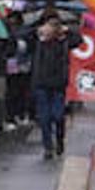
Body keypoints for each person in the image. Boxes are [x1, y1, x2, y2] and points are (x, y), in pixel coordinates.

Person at [30, 13, 72, 159]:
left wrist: (66, 31)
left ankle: (59, 140)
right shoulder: (39, 43)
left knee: (58, 116)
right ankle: (48, 146)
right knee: (44, 118)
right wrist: (38, 27)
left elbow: (78, 39)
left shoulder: (64, 43)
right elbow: (23, 33)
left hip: (58, 85)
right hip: (42, 85)